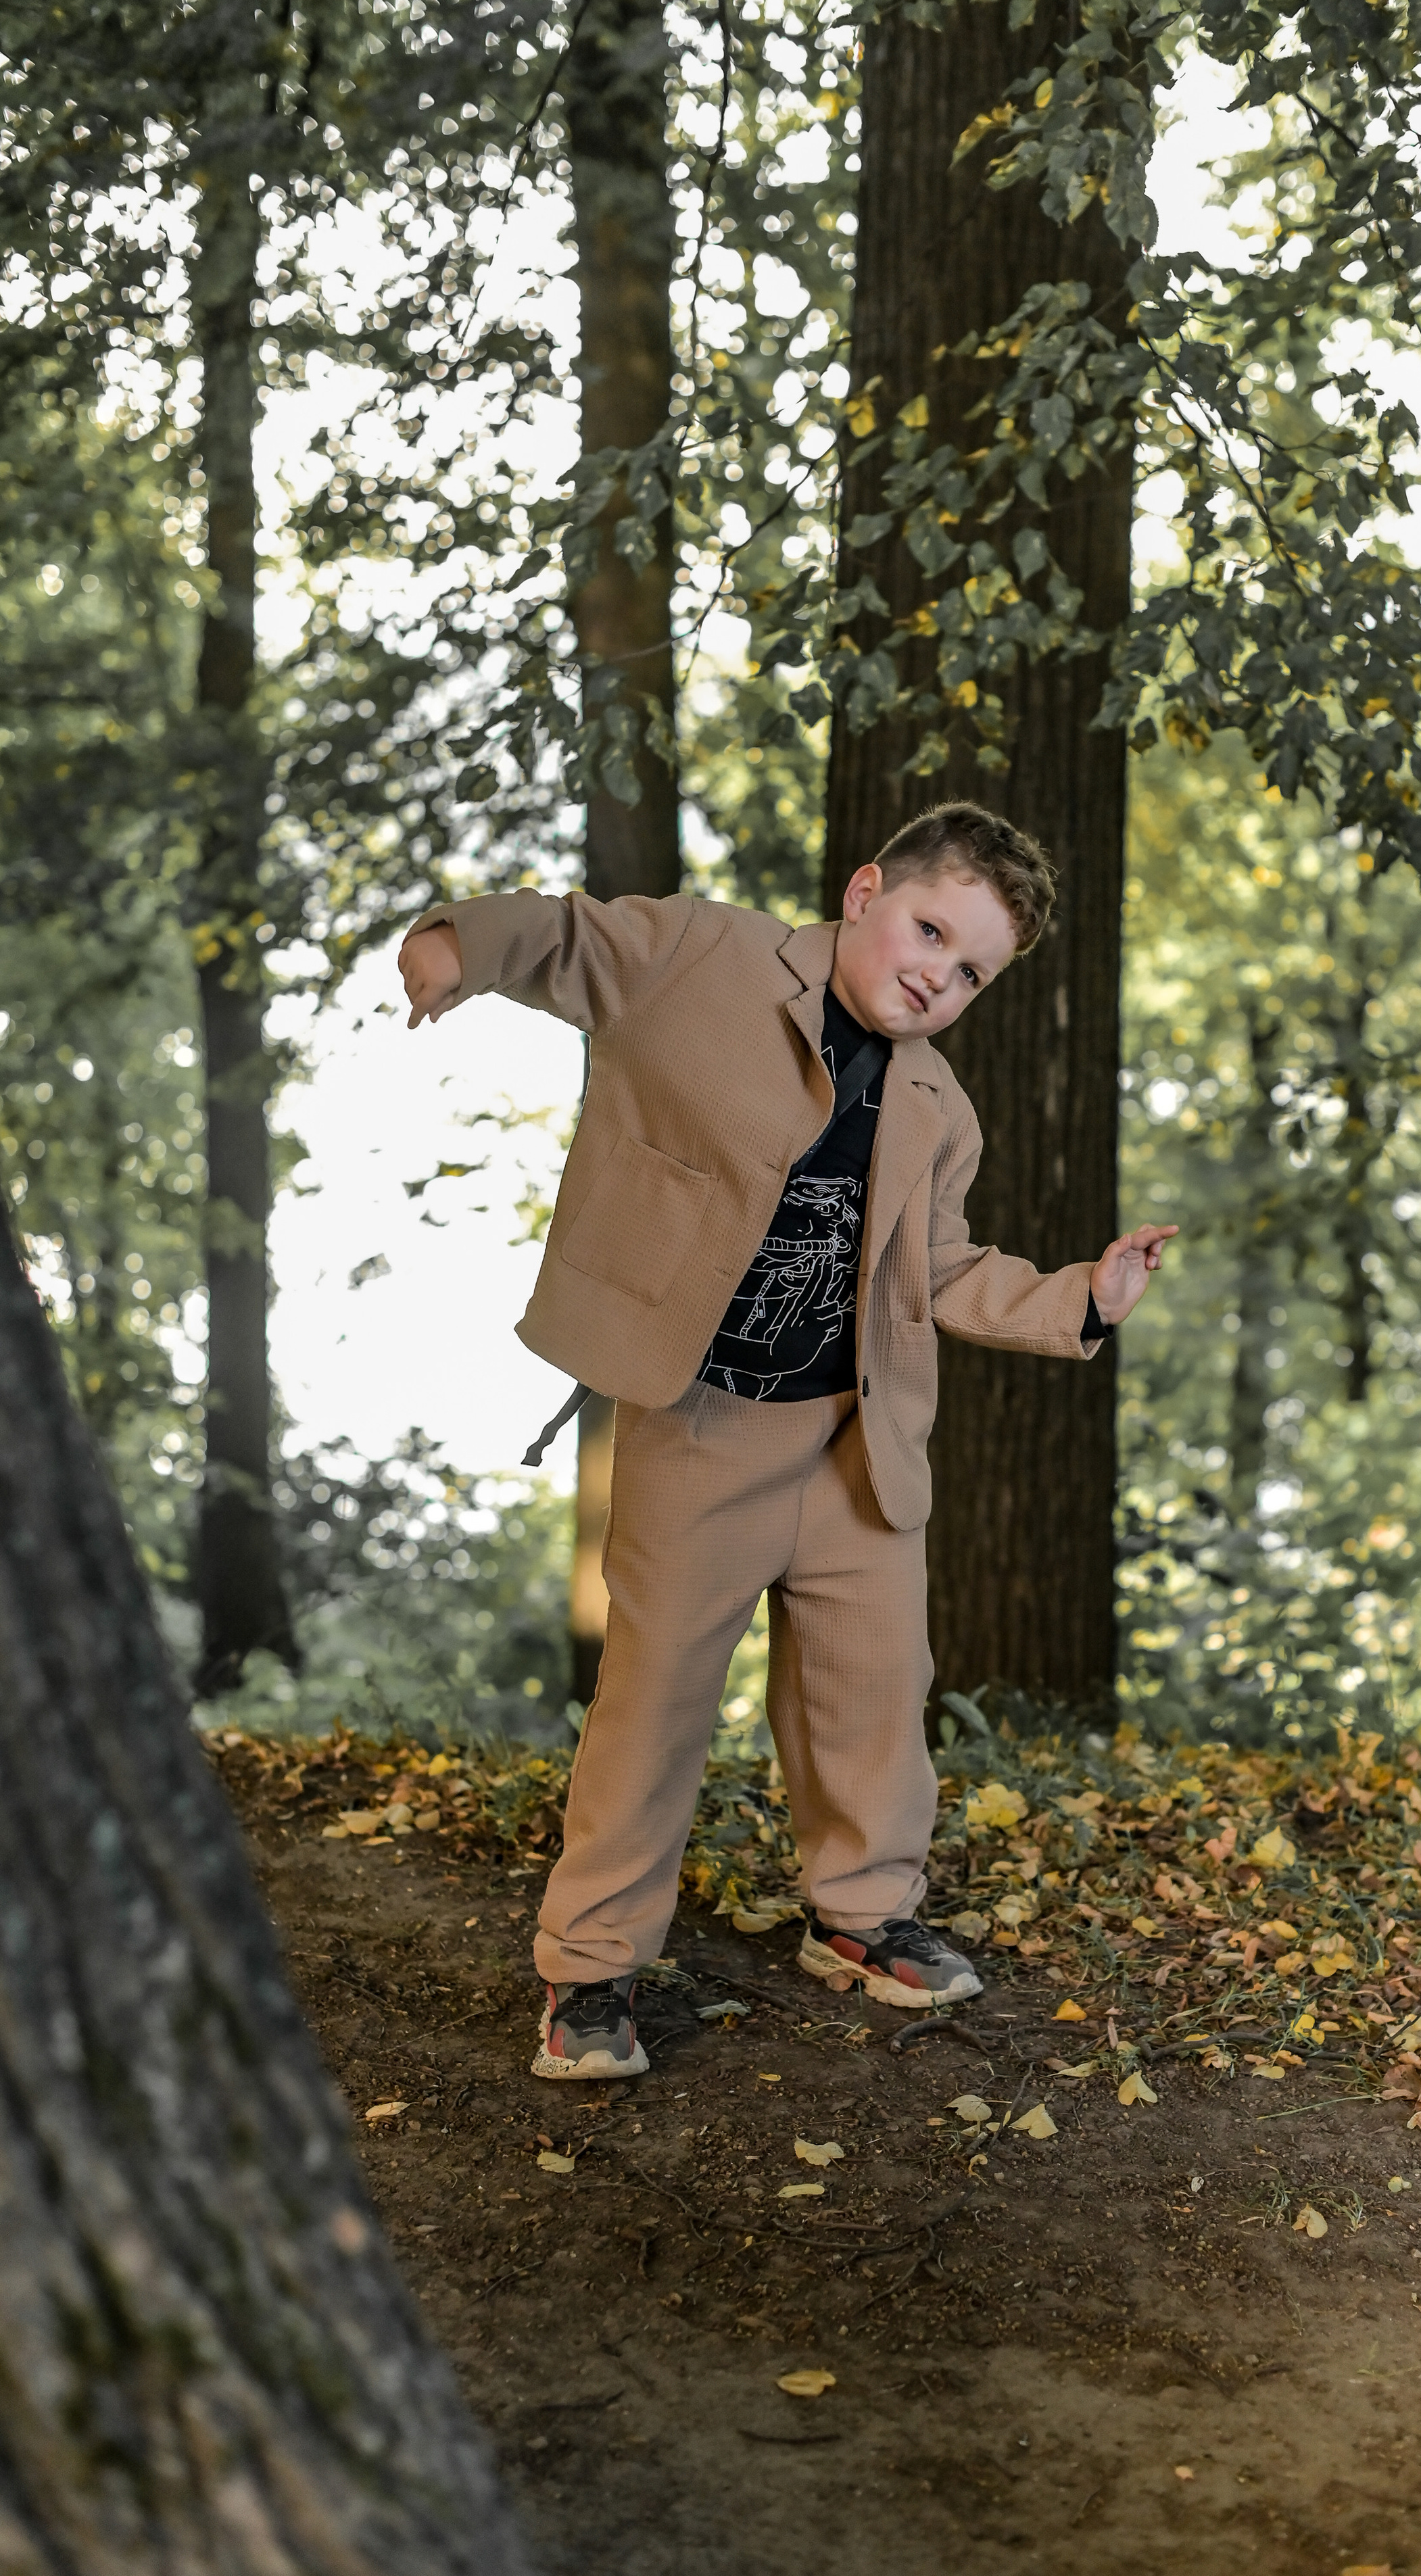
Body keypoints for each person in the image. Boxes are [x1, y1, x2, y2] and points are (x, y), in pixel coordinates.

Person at [398, 802, 1177, 2080]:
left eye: (971, 969)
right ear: (867, 893)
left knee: (874, 1686)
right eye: (931, 930)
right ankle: (588, 1975)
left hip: (852, 1441)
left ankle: (864, 1916)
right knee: (653, 1704)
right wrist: (451, 949)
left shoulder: (939, 1109)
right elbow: (563, 937)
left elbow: (939, 1267)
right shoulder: (704, 957)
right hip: (703, 1425)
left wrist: (1079, 1300)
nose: (938, 971)